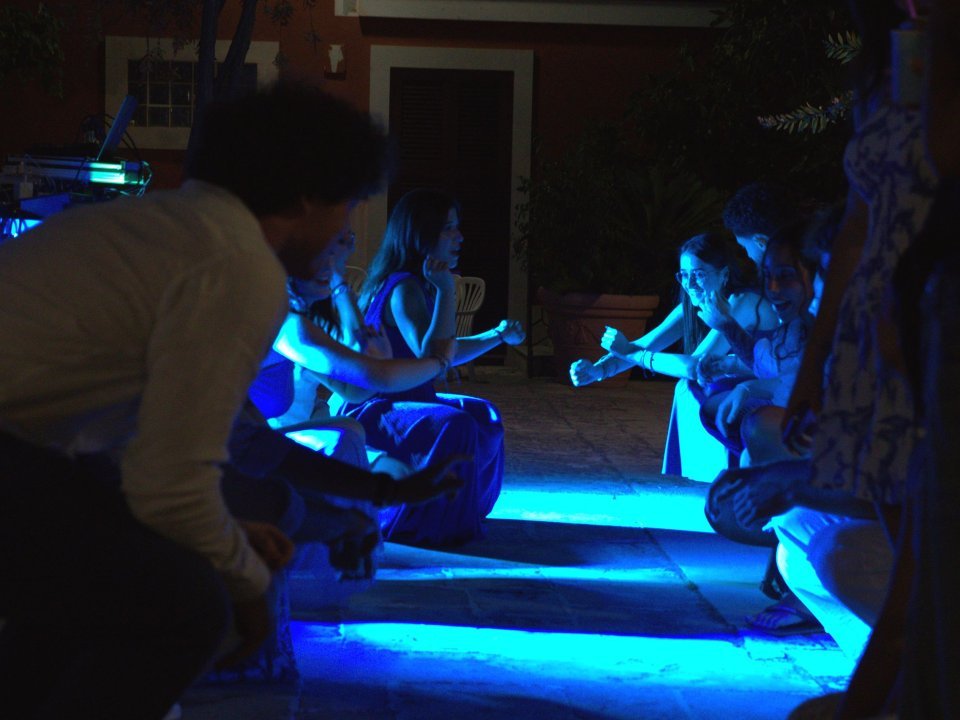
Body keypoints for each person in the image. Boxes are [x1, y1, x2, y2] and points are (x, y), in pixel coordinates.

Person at [0, 82, 440, 720]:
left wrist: (230, 531)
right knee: (188, 604)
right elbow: (171, 485)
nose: (347, 228)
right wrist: (248, 585)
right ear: (307, 195)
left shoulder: (161, 227)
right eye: (347, 205)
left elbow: (155, 458)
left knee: (87, 595)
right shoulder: (237, 263)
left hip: (27, 458)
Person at [333, 188, 525, 547]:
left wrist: (497, 335)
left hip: (408, 398)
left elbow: (443, 352)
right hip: (377, 406)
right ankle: (429, 520)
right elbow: (432, 356)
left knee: (484, 413)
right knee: (456, 422)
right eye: (448, 228)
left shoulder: (410, 282)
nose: (459, 237)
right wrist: (447, 290)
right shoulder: (404, 287)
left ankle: (464, 510)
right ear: (421, 234)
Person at [570, 232, 778, 482]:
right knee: (689, 388)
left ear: (723, 274)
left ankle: (728, 478)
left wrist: (635, 355)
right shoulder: (691, 306)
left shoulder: (741, 302)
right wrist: (599, 370)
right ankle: (705, 478)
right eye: (684, 275)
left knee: (692, 384)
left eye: (699, 274)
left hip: (767, 389)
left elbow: (696, 366)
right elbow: (642, 345)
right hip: (729, 385)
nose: (690, 283)